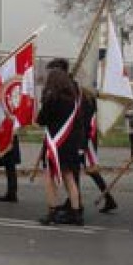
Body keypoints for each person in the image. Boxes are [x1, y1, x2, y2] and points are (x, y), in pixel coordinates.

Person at [37, 67, 87, 225]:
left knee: (50, 178)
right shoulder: (73, 99)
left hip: (55, 144)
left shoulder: (52, 99)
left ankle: (52, 211)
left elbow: (41, 120)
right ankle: (76, 212)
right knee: (69, 178)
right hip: (70, 144)